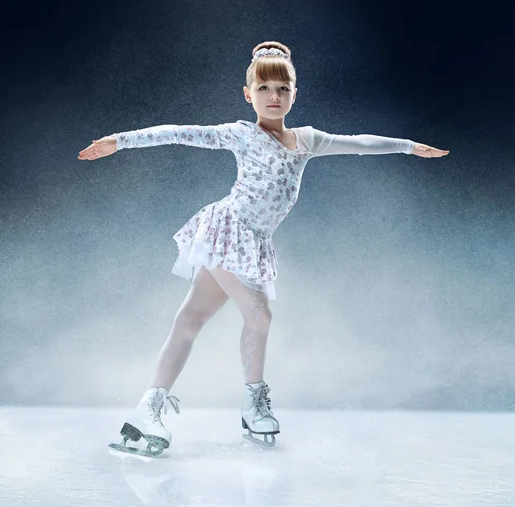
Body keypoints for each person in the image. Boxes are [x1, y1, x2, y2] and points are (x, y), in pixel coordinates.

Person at [78, 41, 449, 454]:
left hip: (253, 243)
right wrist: (120, 141)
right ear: (248, 93)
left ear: (295, 93)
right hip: (227, 228)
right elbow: (178, 133)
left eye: (283, 89)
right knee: (258, 311)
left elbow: (360, 143)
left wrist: (409, 146)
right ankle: (253, 403)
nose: (274, 97)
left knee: (190, 321)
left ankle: (145, 411)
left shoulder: (308, 140)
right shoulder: (241, 134)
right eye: (265, 88)